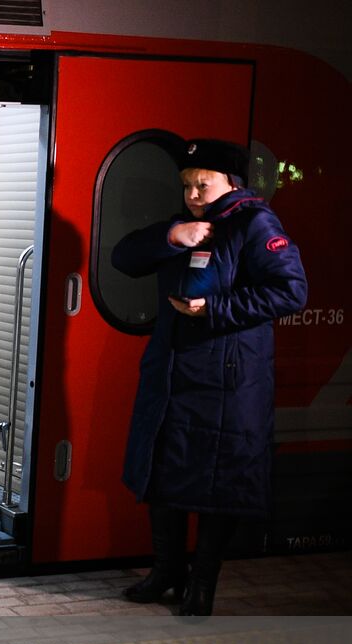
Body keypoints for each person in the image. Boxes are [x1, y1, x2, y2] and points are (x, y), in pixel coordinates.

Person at [112, 138, 307, 617]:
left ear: (232, 183)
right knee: (164, 469)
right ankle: (167, 572)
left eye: (204, 184)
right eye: (187, 185)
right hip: (174, 370)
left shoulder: (255, 222)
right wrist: (172, 237)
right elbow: (124, 258)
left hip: (228, 377)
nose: (194, 194)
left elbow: (291, 290)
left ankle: (202, 585)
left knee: (219, 481)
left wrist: (214, 308)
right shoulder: (184, 225)